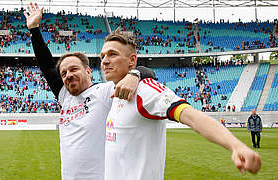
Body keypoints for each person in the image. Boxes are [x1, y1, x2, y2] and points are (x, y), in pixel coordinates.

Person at [100, 29, 262, 180]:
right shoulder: (113, 93)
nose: (105, 61)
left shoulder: (145, 90)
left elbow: (192, 117)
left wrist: (236, 146)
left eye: (112, 54)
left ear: (132, 60)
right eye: (102, 57)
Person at [24, 3, 155, 180]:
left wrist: (135, 74)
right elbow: (47, 65)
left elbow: (149, 73)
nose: (68, 75)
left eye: (74, 69)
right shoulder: (65, 97)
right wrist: (34, 29)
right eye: (64, 73)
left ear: (88, 71)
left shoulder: (104, 92)